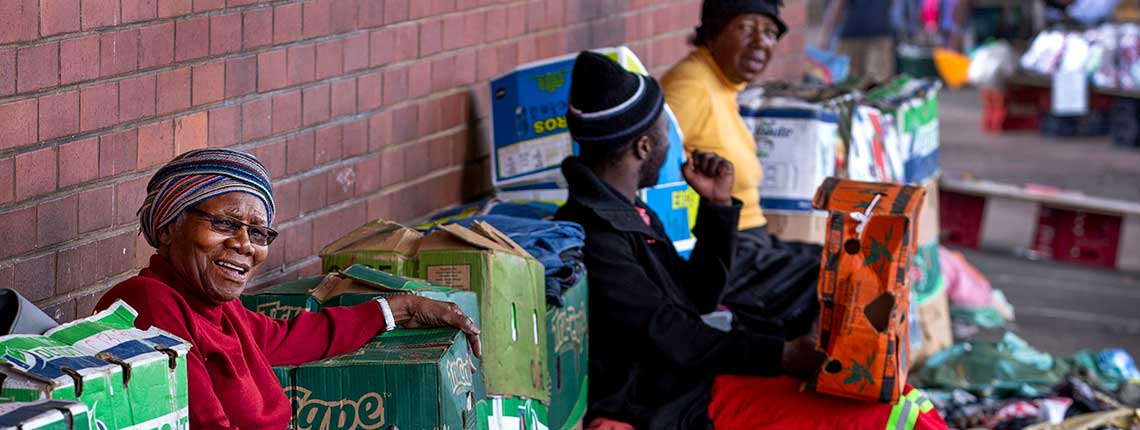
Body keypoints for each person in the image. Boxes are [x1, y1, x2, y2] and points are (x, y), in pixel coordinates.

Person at [560, 52, 949, 430]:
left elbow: (697, 298)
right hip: (672, 403)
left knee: (900, 402)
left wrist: (716, 207)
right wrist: (780, 355)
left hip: (694, 382)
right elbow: (668, 331)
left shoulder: (628, 214)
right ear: (643, 146)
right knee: (880, 419)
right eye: (667, 129)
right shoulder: (595, 234)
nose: (673, 141)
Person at [94, 148, 481, 429]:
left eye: (258, 232)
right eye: (226, 224)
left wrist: (400, 309)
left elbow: (290, 337)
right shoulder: (146, 305)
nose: (245, 244)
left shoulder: (219, 308)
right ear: (167, 229)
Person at [661, 0, 822, 347]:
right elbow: (650, 159)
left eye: (769, 32)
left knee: (843, 260)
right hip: (720, 250)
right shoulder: (690, 86)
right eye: (746, 28)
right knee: (830, 278)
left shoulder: (722, 84)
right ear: (714, 32)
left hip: (750, 239)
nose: (760, 42)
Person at [818, 0, 898, 82]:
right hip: (857, 36)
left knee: (875, 81)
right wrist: (825, 36)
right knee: (855, 81)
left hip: (876, 36)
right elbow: (836, 8)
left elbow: (836, 8)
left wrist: (825, 37)